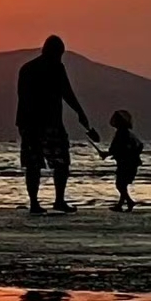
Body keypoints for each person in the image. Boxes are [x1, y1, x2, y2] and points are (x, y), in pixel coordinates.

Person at [17, 35, 99, 215]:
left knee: (35, 164)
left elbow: (23, 99)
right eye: (59, 54)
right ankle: (55, 201)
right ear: (53, 52)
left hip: (32, 124)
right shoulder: (54, 68)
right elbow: (67, 93)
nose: (60, 58)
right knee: (59, 163)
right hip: (46, 124)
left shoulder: (28, 68)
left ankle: (38, 203)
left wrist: (23, 124)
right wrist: (80, 113)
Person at [99, 109, 144, 211]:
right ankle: (121, 204)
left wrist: (106, 154)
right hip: (130, 162)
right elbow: (139, 146)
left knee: (120, 184)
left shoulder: (121, 134)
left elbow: (115, 149)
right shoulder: (128, 134)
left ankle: (129, 201)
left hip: (126, 163)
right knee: (122, 184)